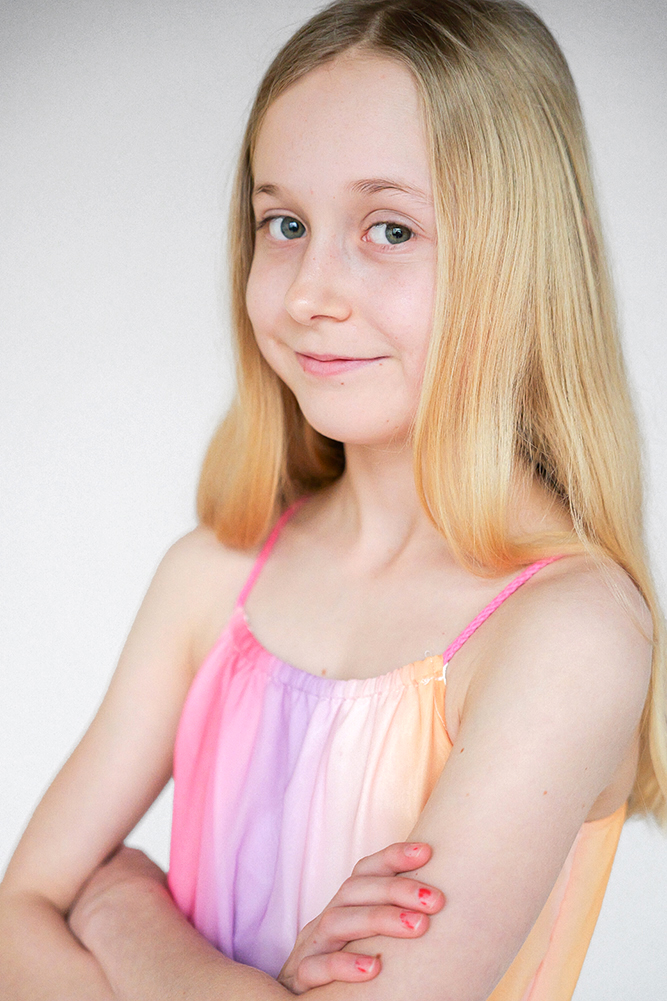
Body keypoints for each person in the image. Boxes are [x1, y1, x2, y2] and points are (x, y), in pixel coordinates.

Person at [1, 1, 665, 999]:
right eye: (285, 224)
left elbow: (54, 908)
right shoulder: (213, 575)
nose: (311, 291)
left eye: (390, 229)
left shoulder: (567, 631)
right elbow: (14, 920)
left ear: (530, 258)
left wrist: (119, 911)